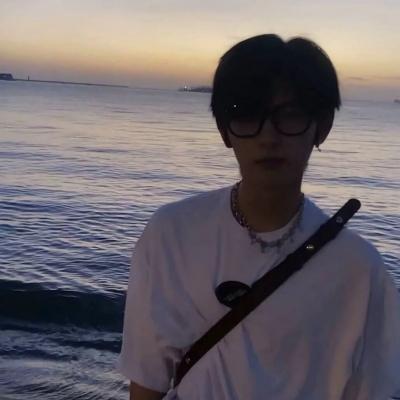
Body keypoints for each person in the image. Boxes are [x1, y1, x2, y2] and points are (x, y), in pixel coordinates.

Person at [117, 34, 400, 400]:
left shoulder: (359, 269)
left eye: (290, 114)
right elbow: (147, 380)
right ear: (225, 130)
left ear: (322, 126)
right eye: (248, 113)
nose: (268, 136)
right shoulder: (171, 234)